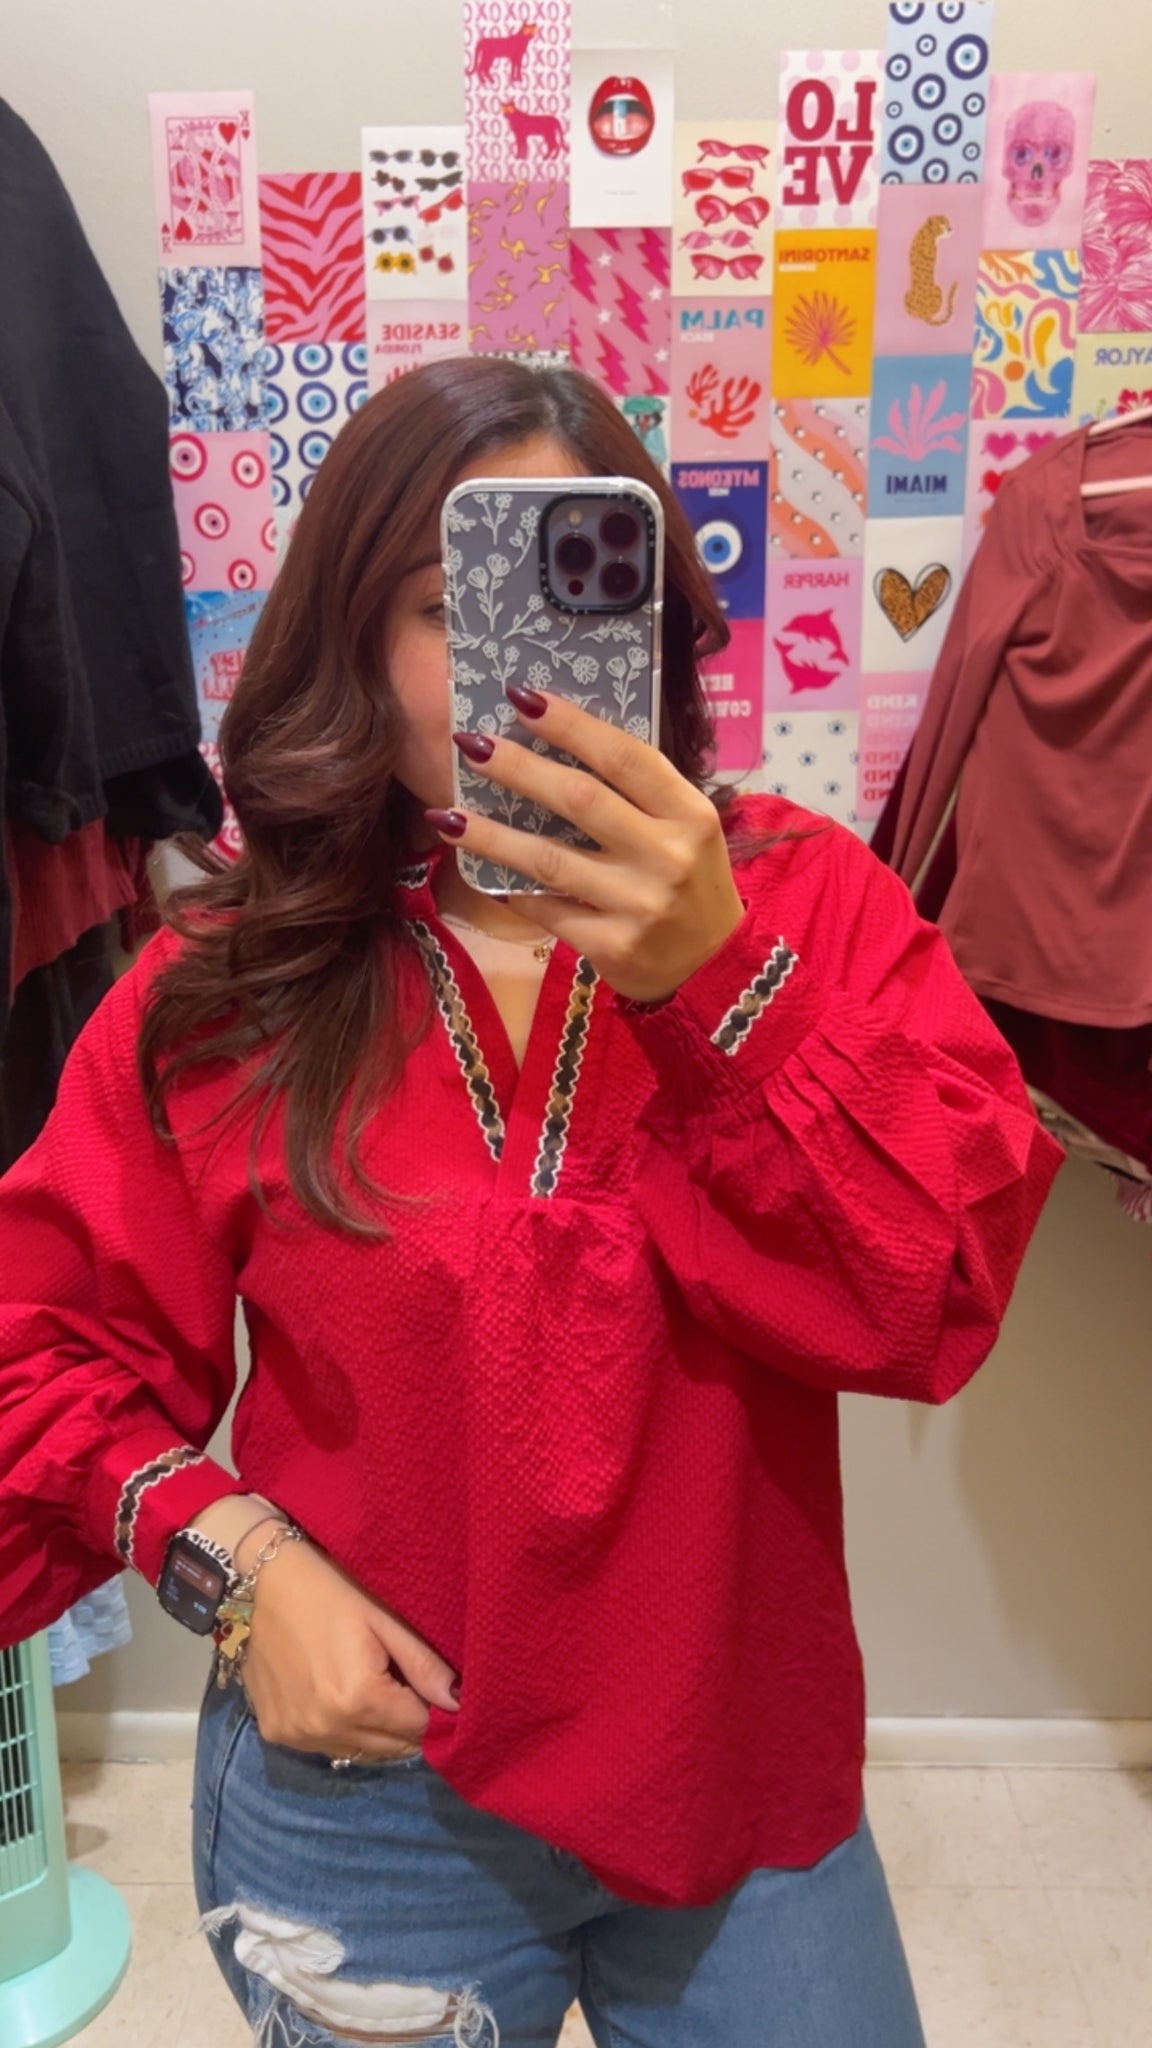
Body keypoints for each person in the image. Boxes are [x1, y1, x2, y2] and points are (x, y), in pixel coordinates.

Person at [0, 358, 1061, 2048]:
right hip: (369, 1791)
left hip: (735, 1788)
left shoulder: (808, 912)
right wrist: (235, 1567)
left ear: (657, 620)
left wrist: (717, 986)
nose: (527, 672)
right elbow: (40, 1343)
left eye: (587, 595)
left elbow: (928, 1296)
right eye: (448, 607)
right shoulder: (236, 979)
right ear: (355, 643)